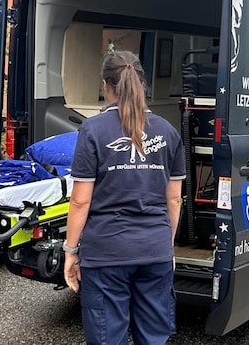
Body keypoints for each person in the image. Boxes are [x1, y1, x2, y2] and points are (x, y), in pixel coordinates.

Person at [63, 50, 186, 345]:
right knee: (154, 337)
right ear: (141, 82)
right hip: (154, 248)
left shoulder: (92, 130)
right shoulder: (168, 131)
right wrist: (164, 244)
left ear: (106, 85)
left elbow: (80, 201)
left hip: (106, 251)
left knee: (107, 337)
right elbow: (174, 200)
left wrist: (70, 251)